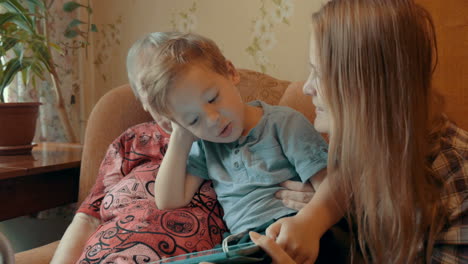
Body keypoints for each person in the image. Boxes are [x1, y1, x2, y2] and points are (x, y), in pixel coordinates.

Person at [247, 0, 468, 263]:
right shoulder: (360, 142)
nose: (307, 88)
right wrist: (321, 215)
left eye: (321, 74)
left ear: (369, 87)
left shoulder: (457, 180)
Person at [126, 32, 329, 237]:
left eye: (213, 99)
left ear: (230, 72)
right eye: (194, 119)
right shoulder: (205, 145)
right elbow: (169, 200)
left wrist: (311, 220)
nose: (212, 119)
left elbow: (329, 188)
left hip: (294, 228)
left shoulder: (284, 123)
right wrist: (181, 133)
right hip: (245, 243)